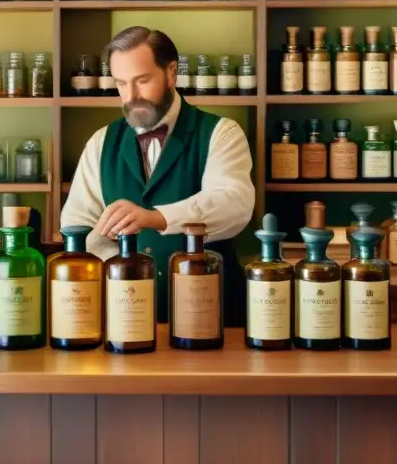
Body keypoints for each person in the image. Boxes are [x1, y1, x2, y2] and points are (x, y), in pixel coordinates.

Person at [61, 26, 255, 327]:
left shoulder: (221, 133)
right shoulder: (101, 141)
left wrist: (155, 218)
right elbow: (77, 226)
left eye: (142, 81)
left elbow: (234, 204)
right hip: (125, 319)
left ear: (172, 72)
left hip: (212, 316)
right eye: (121, 84)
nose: (131, 96)